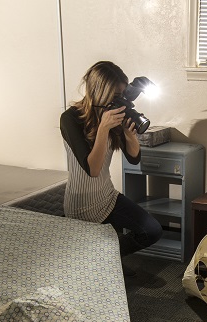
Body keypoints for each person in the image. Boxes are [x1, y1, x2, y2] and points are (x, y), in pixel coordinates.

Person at [60, 61, 162, 270]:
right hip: (81, 206)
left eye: (122, 95)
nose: (119, 101)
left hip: (107, 196)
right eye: (115, 96)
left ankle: (107, 257)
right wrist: (103, 128)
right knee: (88, 268)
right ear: (100, 92)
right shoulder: (70, 119)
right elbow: (93, 169)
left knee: (152, 230)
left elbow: (134, 158)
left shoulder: (113, 114)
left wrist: (128, 133)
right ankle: (102, 260)